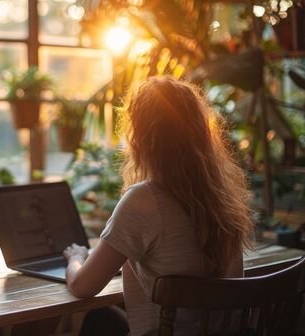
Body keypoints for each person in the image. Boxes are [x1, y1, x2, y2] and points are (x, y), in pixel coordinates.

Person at [63, 76, 254, 336]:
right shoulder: (222, 198)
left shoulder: (145, 200)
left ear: (141, 139)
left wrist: (76, 258)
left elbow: (83, 286)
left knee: (97, 317)